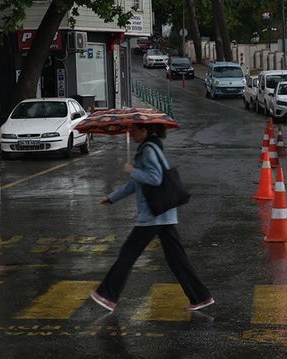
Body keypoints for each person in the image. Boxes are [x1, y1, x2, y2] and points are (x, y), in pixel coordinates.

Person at [90, 123, 214, 312]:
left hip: (153, 214)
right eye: (129, 131)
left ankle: (107, 295)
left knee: (128, 254)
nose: (130, 134)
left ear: (144, 131)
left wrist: (133, 170)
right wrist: (112, 198)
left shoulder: (148, 150)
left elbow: (155, 178)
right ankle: (200, 297)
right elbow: (135, 184)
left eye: (133, 131)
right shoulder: (148, 148)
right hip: (163, 214)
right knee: (176, 259)